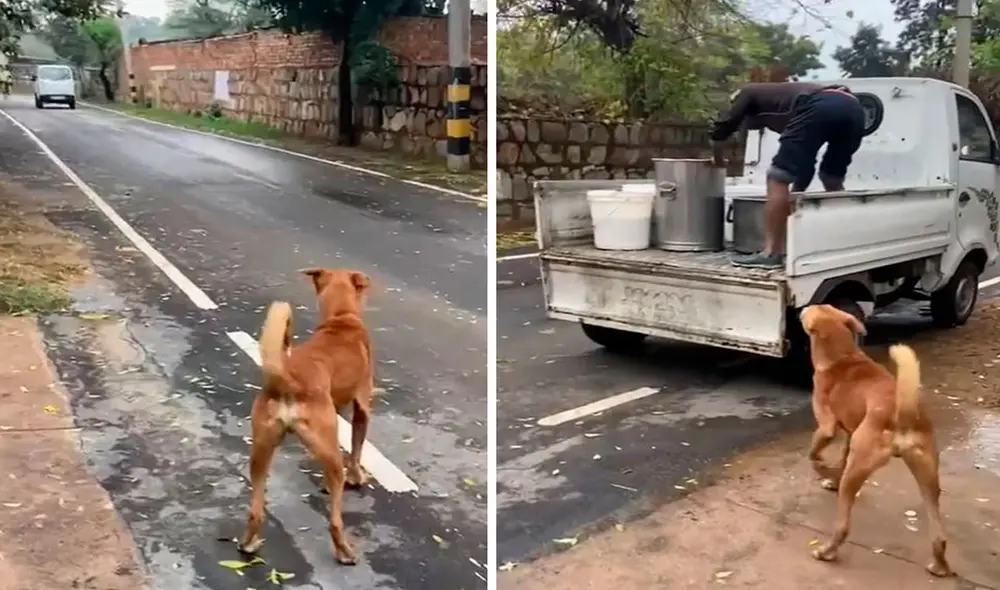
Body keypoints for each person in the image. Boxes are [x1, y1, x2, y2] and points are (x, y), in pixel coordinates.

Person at [709, 81, 866, 269]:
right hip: (855, 109)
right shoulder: (783, 104)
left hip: (821, 104)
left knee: (777, 176)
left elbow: (724, 126)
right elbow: (806, 161)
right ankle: (842, 243)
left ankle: (771, 254)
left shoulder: (749, 92)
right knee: (831, 178)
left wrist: (717, 157)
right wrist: (796, 194)